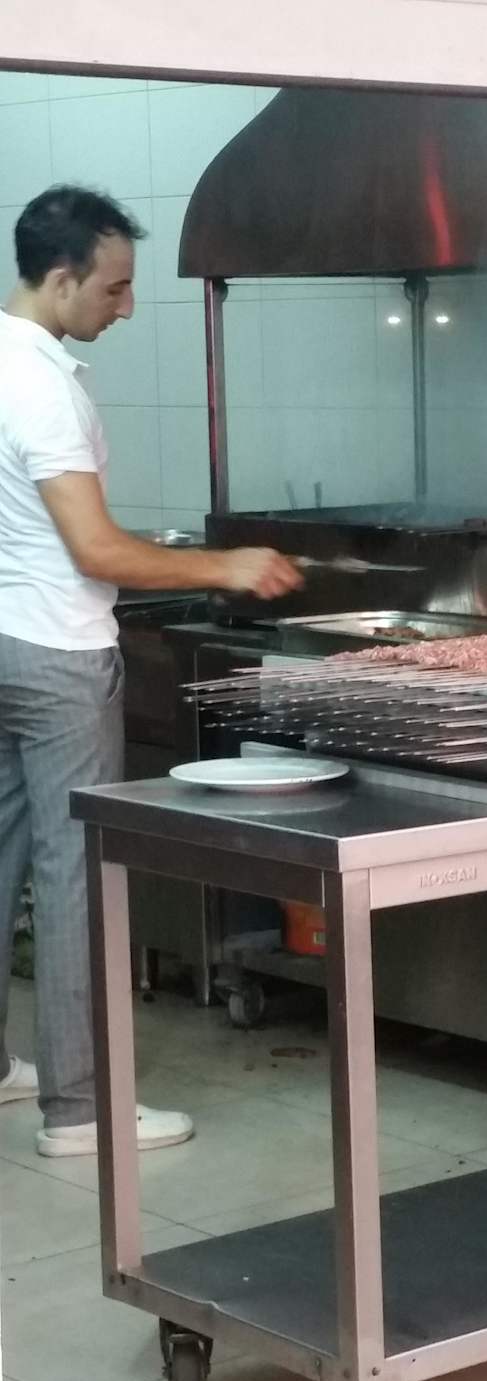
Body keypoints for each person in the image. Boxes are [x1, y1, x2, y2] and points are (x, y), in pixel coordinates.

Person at [0, 185, 300, 1158]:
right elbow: (95, 549)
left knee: (2, 859)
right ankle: (80, 1112)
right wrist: (226, 567)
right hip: (55, 653)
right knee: (75, 873)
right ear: (61, 279)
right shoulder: (42, 387)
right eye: (115, 288)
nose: (126, 307)